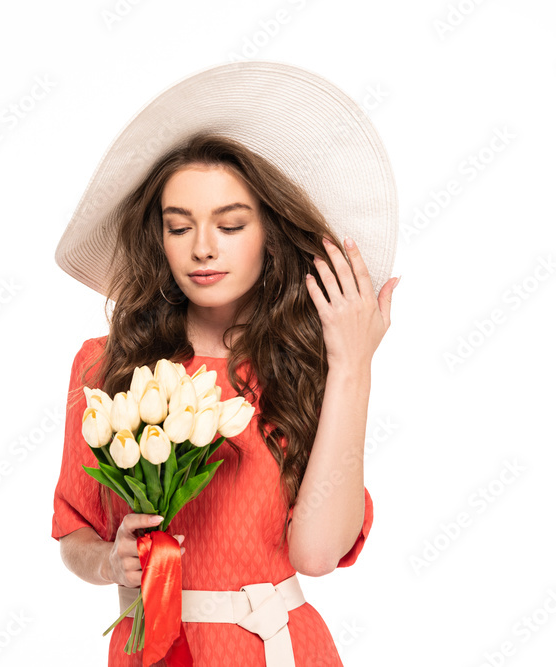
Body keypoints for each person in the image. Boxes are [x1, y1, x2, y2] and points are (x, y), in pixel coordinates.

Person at [50, 61, 401, 666]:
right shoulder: (105, 368)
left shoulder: (304, 367)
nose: (203, 248)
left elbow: (316, 555)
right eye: (178, 226)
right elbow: (74, 532)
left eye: (230, 224)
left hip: (277, 650)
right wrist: (111, 560)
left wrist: (352, 366)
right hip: (153, 649)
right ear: (157, 239)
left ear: (269, 233)